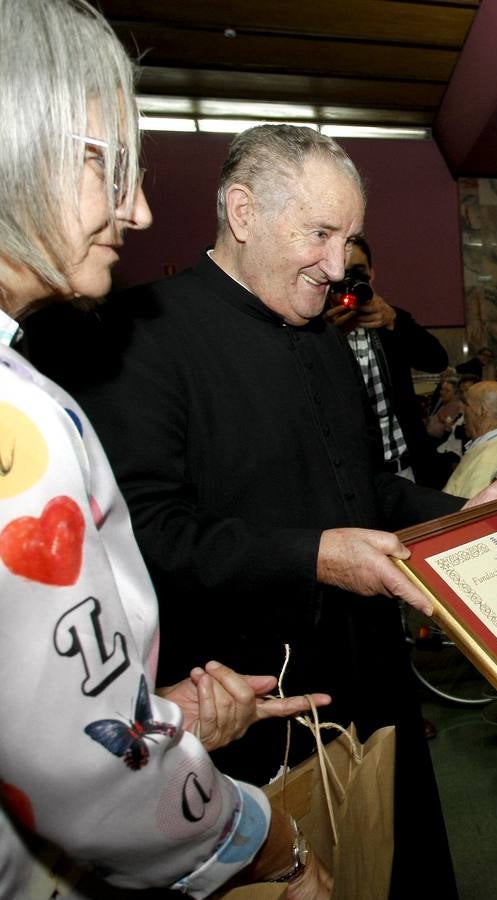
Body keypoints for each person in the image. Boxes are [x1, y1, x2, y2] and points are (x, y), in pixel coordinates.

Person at [53, 124, 497, 898]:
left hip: (368, 673)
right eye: (320, 234)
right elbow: (146, 534)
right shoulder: (140, 337)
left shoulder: (323, 338)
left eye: (350, 239)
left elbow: (363, 488)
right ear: (243, 213)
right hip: (248, 698)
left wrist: (460, 513)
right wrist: (313, 556)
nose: (340, 267)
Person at [0, 2, 334, 895]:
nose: (140, 210)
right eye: (109, 166)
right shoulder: (17, 422)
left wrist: (142, 717)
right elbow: (84, 782)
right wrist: (267, 842)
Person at [325, 235, 451, 487]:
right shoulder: (315, 329)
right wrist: (325, 336)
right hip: (354, 479)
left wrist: (395, 322)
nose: (351, 281)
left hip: (406, 470)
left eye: (359, 272)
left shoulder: (391, 319)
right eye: (344, 272)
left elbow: (437, 360)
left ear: (372, 274)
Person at [443, 380, 497, 497]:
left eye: (467, 405)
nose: (462, 411)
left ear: (482, 411)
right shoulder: (492, 447)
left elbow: (469, 512)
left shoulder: (490, 459)